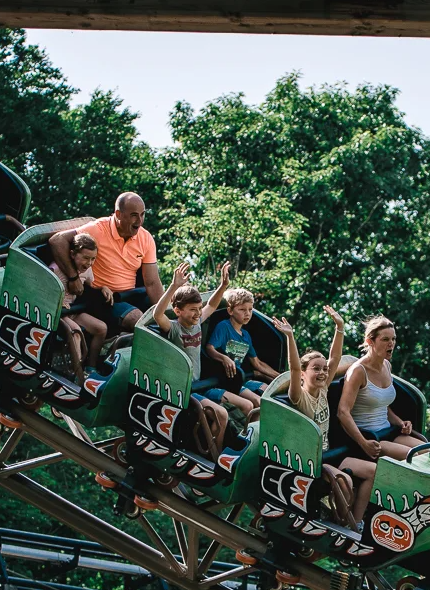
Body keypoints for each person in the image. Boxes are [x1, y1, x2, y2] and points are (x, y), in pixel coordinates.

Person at [277, 305, 365, 526]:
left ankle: (355, 520)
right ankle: (343, 523)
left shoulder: (324, 388)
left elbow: (335, 357)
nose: (323, 373)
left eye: (324, 370)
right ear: (305, 373)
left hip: (328, 453)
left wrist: (340, 327)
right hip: (311, 460)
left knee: (372, 471)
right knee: (344, 480)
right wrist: (290, 336)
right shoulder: (299, 395)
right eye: (316, 369)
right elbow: (294, 367)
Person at [139, 265, 232, 453]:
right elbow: (158, 315)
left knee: (232, 409)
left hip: (199, 384)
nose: (198, 313)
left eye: (198, 309)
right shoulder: (174, 328)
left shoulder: (197, 324)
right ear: (178, 311)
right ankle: (215, 456)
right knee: (221, 414)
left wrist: (223, 286)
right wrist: (173, 286)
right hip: (184, 390)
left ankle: (212, 449)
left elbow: (212, 305)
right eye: (192, 310)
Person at [50, 193, 160, 331]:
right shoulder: (98, 229)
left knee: (175, 310)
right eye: (134, 215)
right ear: (119, 214)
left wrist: (163, 314)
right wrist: (73, 277)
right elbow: (57, 240)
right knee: (136, 319)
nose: (139, 221)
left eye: (142, 214)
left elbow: (152, 283)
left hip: (130, 295)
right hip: (103, 297)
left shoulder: (146, 238)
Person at [335, 316, 424, 481]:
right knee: (415, 457)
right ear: (370, 342)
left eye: (393, 339)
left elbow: (381, 404)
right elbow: (343, 412)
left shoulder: (386, 365)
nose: (391, 344)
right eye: (385, 339)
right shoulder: (358, 371)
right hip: (370, 438)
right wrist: (363, 443)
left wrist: (400, 422)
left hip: (388, 431)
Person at [207, 288, 279, 416]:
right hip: (228, 381)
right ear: (230, 310)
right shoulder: (224, 327)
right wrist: (224, 358)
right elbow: (210, 348)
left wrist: (280, 378)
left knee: (269, 391)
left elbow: (257, 363)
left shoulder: (246, 335)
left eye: (250, 310)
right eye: (242, 310)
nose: (247, 314)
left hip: (241, 379)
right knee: (258, 401)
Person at [47, 232, 108, 371]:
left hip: (73, 310)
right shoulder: (55, 269)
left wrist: (103, 288)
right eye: (86, 258)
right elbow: (43, 287)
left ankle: (90, 367)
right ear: (73, 254)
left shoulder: (87, 270)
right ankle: (76, 371)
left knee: (101, 328)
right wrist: (56, 301)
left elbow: (91, 286)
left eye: (93, 259)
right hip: (58, 312)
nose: (89, 263)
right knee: (75, 332)